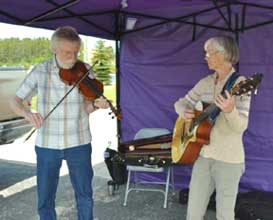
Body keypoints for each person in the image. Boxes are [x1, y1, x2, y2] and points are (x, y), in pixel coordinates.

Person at [9, 26, 109, 220]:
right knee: (45, 198)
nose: (73, 57)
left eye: (75, 52)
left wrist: (97, 105)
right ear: (54, 49)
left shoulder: (85, 69)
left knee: (85, 195)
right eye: (67, 52)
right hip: (47, 144)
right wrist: (27, 114)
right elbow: (15, 100)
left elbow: (87, 107)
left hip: (79, 142)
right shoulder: (40, 70)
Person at [174, 36, 251, 220]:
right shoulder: (205, 82)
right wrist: (185, 111)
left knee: (225, 215)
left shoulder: (242, 84)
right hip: (203, 157)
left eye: (209, 52)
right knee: (193, 213)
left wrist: (231, 110)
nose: (205, 56)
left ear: (223, 54)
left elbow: (241, 126)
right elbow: (180, 103)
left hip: (229, 161)